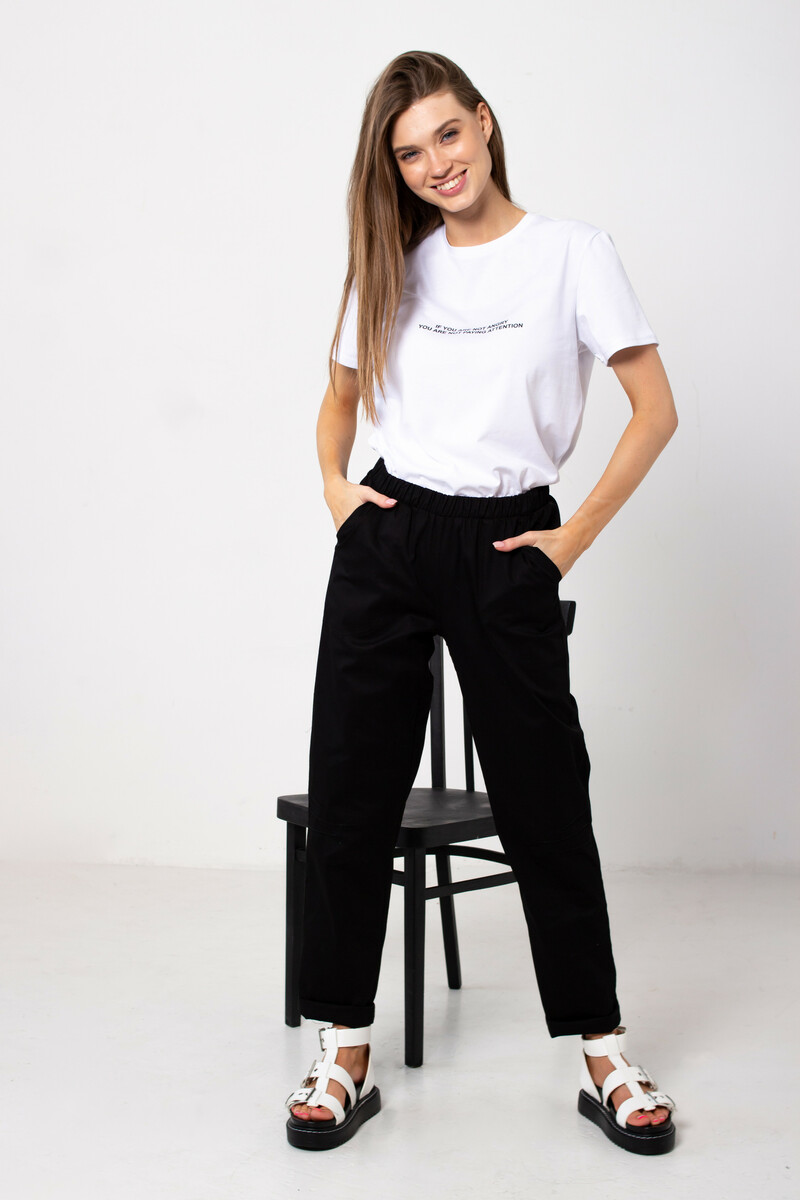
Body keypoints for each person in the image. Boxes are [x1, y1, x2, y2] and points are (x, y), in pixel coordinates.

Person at [284, 50, 679, 1156]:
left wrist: (567, 541)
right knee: (352, 788)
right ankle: (342, 1047)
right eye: (409, 153)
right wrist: (339, 494)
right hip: (391, 535)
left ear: (485, 124)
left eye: (447, 135)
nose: (434, 165)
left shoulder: (571, 254)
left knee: (546, 793)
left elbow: (653, 409)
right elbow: (336, 402)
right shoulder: (392, 261)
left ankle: (602, 1051)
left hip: (509, 542)